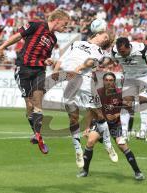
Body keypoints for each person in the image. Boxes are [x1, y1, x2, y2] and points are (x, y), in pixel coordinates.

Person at [0, 9, 70, 154]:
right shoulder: (37, 25)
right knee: (29, 105)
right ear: (57, 20)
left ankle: (38, 136)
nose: (66, 27)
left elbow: (45, 57)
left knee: (37, 102)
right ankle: (36, 132)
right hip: (23, 68)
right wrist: (2, 47)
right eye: (65, 24)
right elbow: (18, 36)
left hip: (39, 71)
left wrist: (48, 60)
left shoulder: (53, 39)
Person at [52, 31, 118, 168]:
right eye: (105, 36)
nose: (105, 40)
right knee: (73, 118)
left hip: (85, 82)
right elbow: (62, 59)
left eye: (107, 40)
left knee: (99, 114)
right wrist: (55, 71)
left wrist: (79, 68)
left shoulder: (100, 52)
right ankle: (77, 150)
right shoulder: (77, 43)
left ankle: (108, 145)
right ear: (97, 34)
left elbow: (90, 62)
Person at [78, 72, 145, 180]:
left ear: (114, 82)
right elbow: (90, 112)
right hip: (100, 124)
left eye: (111, 80)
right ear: (103, 81)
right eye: (107, 80)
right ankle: (84, 171)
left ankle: (138, 172)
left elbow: (128, 108)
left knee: (122, 146)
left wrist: (116, 115)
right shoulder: (97, 93)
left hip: (115, 125)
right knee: (90, 141)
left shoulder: (120, 93)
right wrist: (87, 127)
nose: (109, 82)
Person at [111, 37, 147, 142]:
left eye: (123, 51)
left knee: (142, 99)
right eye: (120, 52)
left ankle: (143, 131)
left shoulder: (141, 48)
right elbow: (113, 60)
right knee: (126, 102)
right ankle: (124, 133)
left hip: (145, 76)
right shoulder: (114, 51)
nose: (122, 54)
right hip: (129, 76)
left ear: (129, 47)